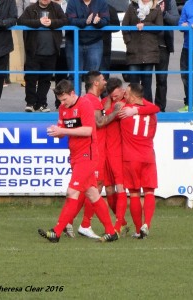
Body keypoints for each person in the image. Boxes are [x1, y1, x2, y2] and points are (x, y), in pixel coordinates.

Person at [38, 79, 119, 243]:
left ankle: (57, 231)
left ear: (72, 93)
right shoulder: (63, 108)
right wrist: (57, 131)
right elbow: (63, 130)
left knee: (72, 192)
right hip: (75, 156)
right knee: (93, 193)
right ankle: (111, 232)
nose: (62, 103)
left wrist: (62, 130)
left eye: (64, 99)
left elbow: (89, 130)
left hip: (87, 155)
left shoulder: (85, 105)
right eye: (60, 100)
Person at [77, 71, 122, 238]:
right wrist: (116, 110)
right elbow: (99, 122)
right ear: (95, 83)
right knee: (93, 188)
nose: (105, 82)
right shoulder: (91, 100)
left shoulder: (91, 100)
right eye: (103, 79)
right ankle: (84, 224)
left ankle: (77, 223)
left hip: (96, 150)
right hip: (94, 150)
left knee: (89, 188)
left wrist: (109, 101)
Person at [119, 83, 159, 238]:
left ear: (134, 96)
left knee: (134, 193)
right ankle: (146, 225)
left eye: (127, 93)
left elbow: (107, 114)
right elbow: (154, 108)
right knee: (149, 191)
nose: (125, 96)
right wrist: (138, 109)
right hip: (148, 155)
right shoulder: (151, 111)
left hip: (131, 157)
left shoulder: (123, 110)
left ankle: (137, 230)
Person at [17, 0, 68, 112]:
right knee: (31, 78)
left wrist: (52, 23)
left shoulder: (56, 8)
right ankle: (30, 103)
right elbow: (20, 21)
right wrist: (38, 22)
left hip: (51, 51)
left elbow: (65, 20)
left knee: (46, 79)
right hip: (33, 51)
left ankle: (41, 104)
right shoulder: (31, 8)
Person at [101, 77, 129, 236]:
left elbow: (150, 108)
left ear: (122, 90)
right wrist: (111, 108)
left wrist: (110, 110)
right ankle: (123, 222)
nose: (114, 99)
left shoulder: (128, 102)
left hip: (118, 152)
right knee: (109, 189)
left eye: (116, 96)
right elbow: (100, 118)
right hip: (104, 152)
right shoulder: (106, 101)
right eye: (112, 96)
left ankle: (117, 227)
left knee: (120, 188)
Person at [122, 0, 163, 102]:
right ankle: (132, 105)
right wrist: (128, 42)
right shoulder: (132, 7)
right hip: (134, 50)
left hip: (150, 51)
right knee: (133, 82)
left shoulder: (156, 8)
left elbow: (160, 28)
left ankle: (147, 108)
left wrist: (145, 24)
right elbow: (124, 25)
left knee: (147, 83)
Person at [65, 0, 110, 94]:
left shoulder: (101, 2)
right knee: (74, 75)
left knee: (93, 77)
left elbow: (106, 20)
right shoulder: (72, 2)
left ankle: (91, 105)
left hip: (95, 42)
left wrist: (98, 21)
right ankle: (75, 104)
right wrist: (86, 21)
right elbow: (70, 20)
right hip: (74, 42)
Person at [154, 0, 179, 112]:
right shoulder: (145, 1)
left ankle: (160, 108)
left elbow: (175, 20)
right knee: (145, 78)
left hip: (163, 45)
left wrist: (164, 13)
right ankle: (144, 107)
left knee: (162, 79)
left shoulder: (170, 2)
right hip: (146, 45)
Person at [52, 0, 69, 110]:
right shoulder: (48, 5)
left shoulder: (68, 5)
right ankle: (40, 103)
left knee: (62, 76)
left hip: (66, 44)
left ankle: (62, 102)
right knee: (46, 76)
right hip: (51, 43)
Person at [100, 4, 120, 81]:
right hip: (88, 46)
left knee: (104, 77)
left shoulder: (110, 8)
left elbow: (117, 27)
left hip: (105, 47)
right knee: (91, 76)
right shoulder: (87, 7)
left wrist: (102, 24)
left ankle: (104, 93)